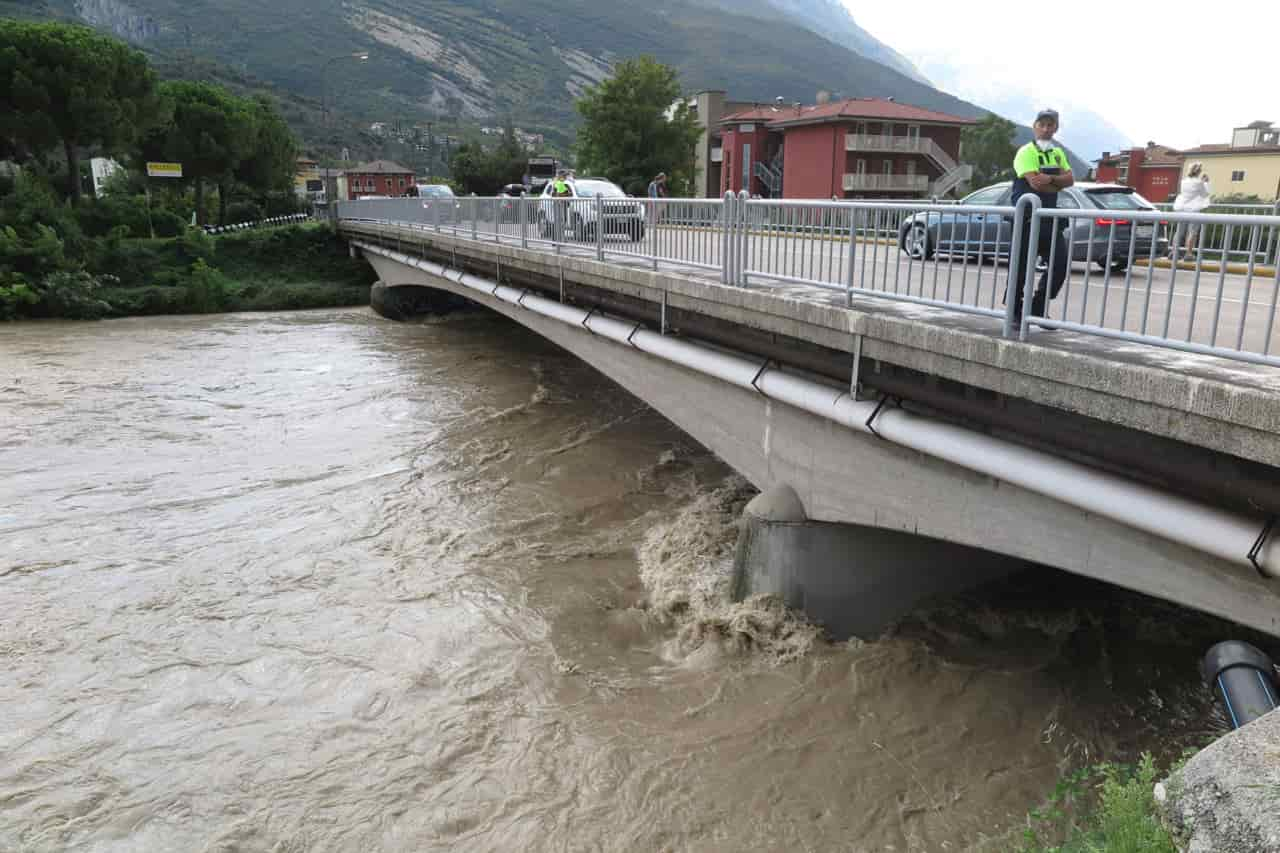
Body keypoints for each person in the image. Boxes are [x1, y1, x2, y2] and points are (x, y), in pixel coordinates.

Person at [1009, 109, 1074, 324]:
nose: (1046, 129)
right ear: (1035, 126)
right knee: (1020, 268)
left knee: (1060, 264)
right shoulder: (1025, 152)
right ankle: (1015, 312)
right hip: (1027, 220)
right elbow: (1034, 183)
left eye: (1050, 125)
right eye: (1042, 124)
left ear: (1056, 127)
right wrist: (1055, 182)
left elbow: (1070, 180)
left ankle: (1037, 307)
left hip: (1049, 219)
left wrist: (1048, 180)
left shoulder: (1057, 153)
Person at [1171, 161, 1211, 259]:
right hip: (1193, 209)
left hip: (1181, 208)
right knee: (1192, 232)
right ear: (1199, 171)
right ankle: (1188, 253)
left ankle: (1173, 252)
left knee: (1179, 231)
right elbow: (1205, 194)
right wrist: (1205, 182)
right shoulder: (1199, 182)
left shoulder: (1184, 181)